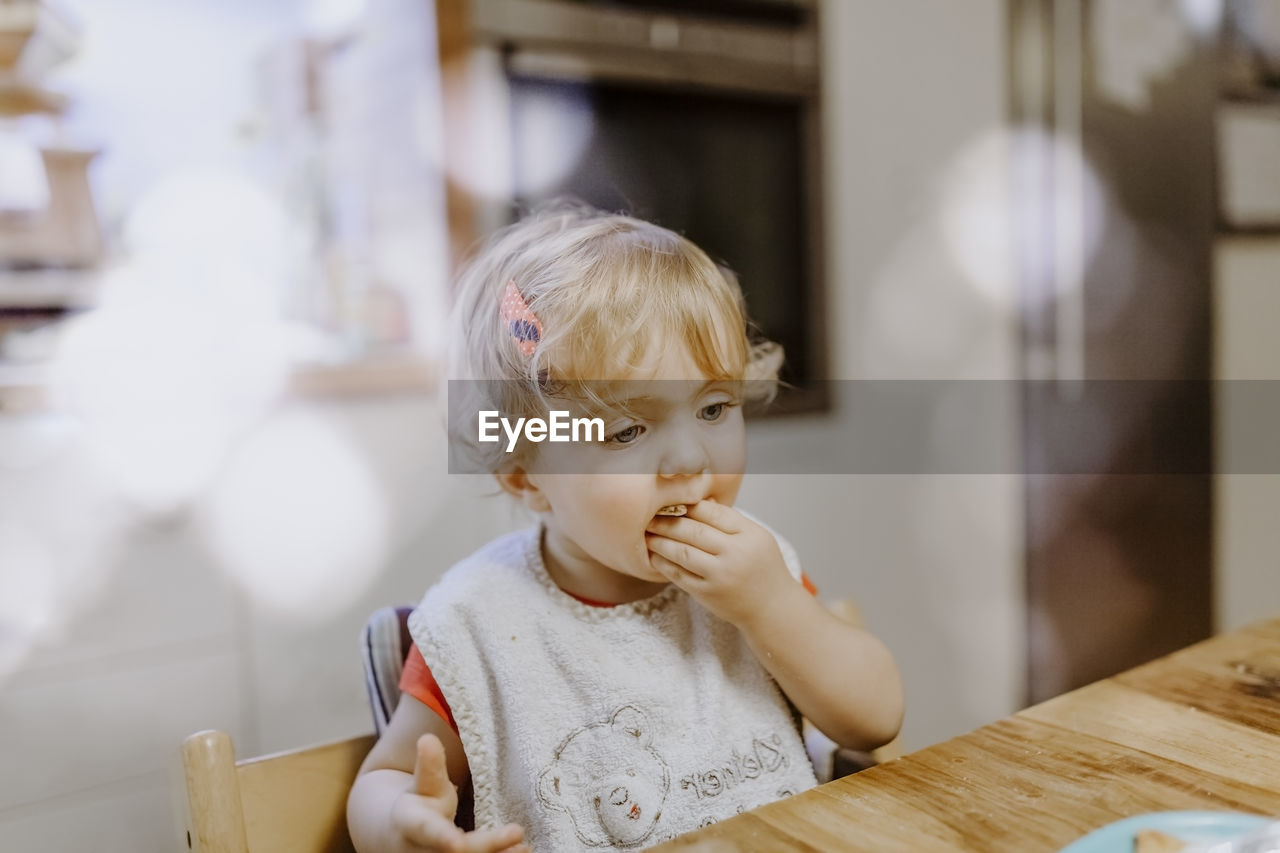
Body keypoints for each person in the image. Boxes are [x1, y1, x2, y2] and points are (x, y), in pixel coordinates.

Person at [347, 204, 903, 853]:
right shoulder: (480, 619)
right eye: (628, 428)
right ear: (525, 474)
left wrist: (773, 604)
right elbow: (385, 776)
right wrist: (400, 824)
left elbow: (874, 720)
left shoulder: (754, 570)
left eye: (715, 406)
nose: (690, 458)